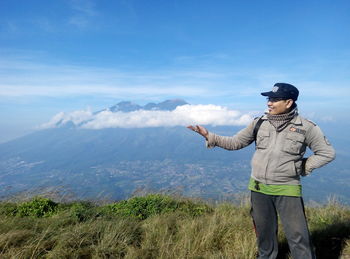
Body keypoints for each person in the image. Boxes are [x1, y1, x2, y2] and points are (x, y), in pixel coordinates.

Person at [187, 83, 336, 259]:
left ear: (288, 102)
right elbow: (236, 142)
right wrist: (209, 136)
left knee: (298, 237)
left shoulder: (306, 127)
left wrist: (301, 167)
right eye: (268, 99)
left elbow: (327, 153)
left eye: (274, 99)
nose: (269, 103)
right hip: (258, 188)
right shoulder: (259, 123)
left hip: (287, 188)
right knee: (264, 236)